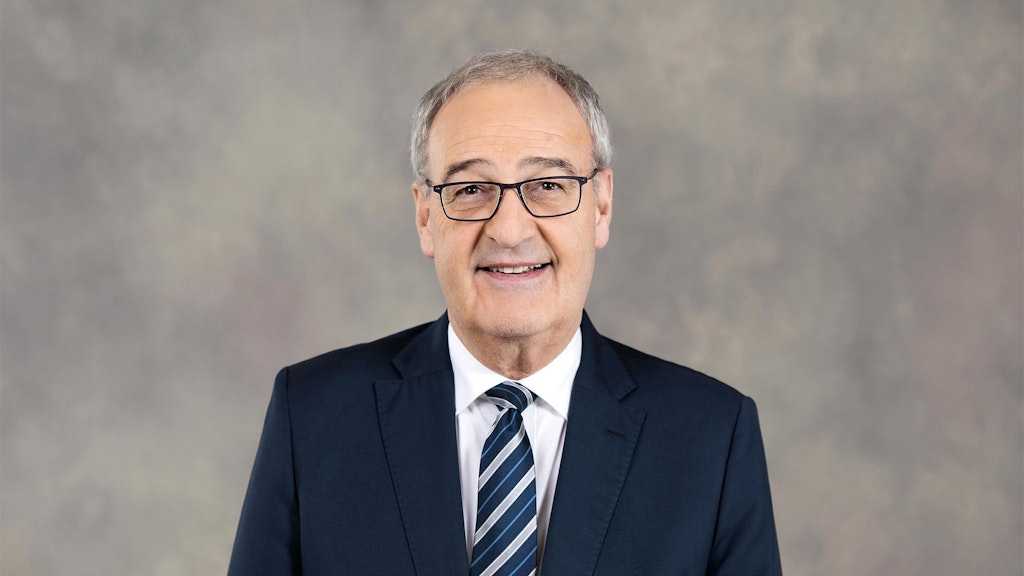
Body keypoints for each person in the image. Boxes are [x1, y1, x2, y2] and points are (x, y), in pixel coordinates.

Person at [228, 49, 782, 576]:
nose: (510, 230)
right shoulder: (314, 417)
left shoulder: (711, 437)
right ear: (426, 217)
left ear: (601, 206)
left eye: (547, 185)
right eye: (471, 189)